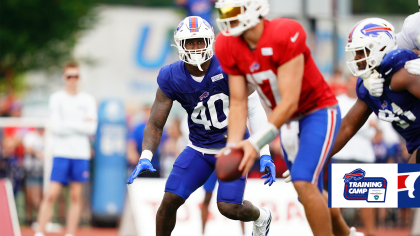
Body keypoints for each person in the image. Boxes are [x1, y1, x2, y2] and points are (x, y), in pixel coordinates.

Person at [126, 16, 275, 236]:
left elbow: (253, 107)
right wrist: (146, 155)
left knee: (228, 207)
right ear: (179, 45)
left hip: (233, 148)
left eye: (200, 42)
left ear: (210, 42)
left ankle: (262, 217)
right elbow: (156, 124)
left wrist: (264, 152)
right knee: (169, 201)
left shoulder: (228, 65)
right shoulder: (171, 76)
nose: (195, 48)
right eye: (189, 43)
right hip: (199, 148)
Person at [214, 1, 342, 235]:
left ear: (253, 9)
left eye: (233, 12)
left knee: (303, 181)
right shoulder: (226, 43)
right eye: (224, 13)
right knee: (306, 190)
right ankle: (346, 233)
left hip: (318, 111)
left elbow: (290, 101)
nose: (227, 18)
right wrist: (233, 146)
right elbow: (240, 101)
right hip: (288, 121)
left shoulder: (285, 33)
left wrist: (256, 142)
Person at [330, 17, 420, 167]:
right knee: (407, 184)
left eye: (361, 52)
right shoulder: (368, 87)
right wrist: (312, 160)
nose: (357, 59)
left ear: (379, 48)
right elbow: (347, 127)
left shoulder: (404, 75)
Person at [35, 62, 97, 236]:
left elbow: (91, 128)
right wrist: (80, 124)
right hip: (61, 153)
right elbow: (56, 127)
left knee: (76, 197)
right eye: (69, 76)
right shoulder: (57, 98)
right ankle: (40, 231)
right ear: (64, 78)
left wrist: (67, 124)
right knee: (51, 194)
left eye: (75, 76)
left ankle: (70, 233)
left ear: (79, 78)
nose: (73, 80)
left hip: (80, 154)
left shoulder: (87, 99)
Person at [127, 104, 165, 177]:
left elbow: (165, 143)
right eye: (147, 110)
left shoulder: (160, 127)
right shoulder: (138, 127)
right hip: (141, 166)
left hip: (155, 165)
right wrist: (132, 152)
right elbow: (131, 142)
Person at [23, 128, 45, 226]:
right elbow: (28, 149)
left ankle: (42, 221)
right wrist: (38, 154)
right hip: (32, 172)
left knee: (43, 198)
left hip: (45, 173)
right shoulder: (31, 136)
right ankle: (41, 220)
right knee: (33, 198)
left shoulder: (49, 137)